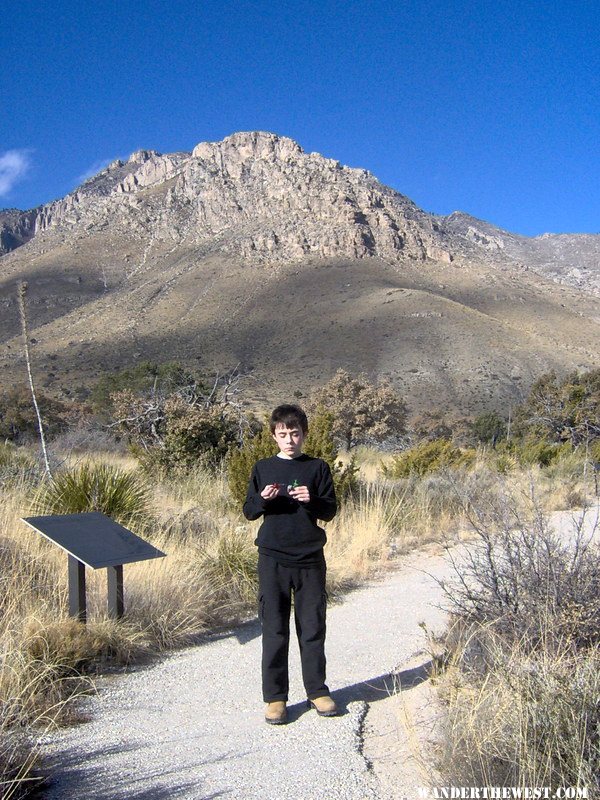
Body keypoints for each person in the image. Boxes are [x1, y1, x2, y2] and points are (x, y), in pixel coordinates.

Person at [243, 403, 338, 725]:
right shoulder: (262, 468)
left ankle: (317, 691)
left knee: (312, 628)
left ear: (304, 434)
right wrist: (264, 499)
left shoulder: (318, 468)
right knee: (274, 629)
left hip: (310, 558)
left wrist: (312, 499)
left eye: (295, 433)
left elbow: (329, 511)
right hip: (272, 558)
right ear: (273, 436)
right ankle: (276, 698)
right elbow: (249, 511)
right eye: (283, 434)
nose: (289, 440)